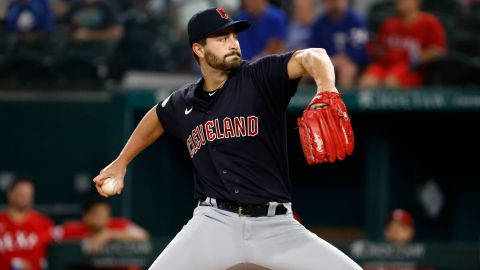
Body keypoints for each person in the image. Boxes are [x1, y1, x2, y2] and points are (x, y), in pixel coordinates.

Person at [93, 7, 361, 270]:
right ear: (199, 49)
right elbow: (156, 116)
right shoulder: (183, 101)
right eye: (222, 38)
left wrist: (327, 87)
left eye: (234, 36)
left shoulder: (259, 76)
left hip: (275, 226)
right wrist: (121, 162)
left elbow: (314, 55)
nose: (233, 43)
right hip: (214, 222)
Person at [359, 0, 446, 89]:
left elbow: (437, 50)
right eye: (399, 1)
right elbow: (380, 49)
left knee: (390, 81)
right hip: (386, 65)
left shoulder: (429, 22)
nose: (401, 3)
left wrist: (415, 58)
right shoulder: (389, 23)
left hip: (410, 68)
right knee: (366, 82)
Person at [309, 0, 369, 89]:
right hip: (329, 61)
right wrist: (333, 61)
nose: (333, 4)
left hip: (355, 64)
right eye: (329, 1)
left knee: (347, 71)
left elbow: (359, 51)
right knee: (304, 71)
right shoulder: (319, 24)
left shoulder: (357, 21)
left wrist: (341, 61)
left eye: (337, 1)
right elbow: (315, 51)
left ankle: (342, 102)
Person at [57, 196, 149, 254]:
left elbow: (143, 235)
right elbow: (53, 236)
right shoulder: (72, 228)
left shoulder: (119, 224)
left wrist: (109, 235)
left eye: (105, 214)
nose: (102, 218)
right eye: (97, 215)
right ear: (86, 216)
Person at [0, 177, 54, 270]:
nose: (24, 197)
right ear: (10, 194)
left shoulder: (43, 223)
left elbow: (66, 233)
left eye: (27, 194)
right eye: (20, 194)